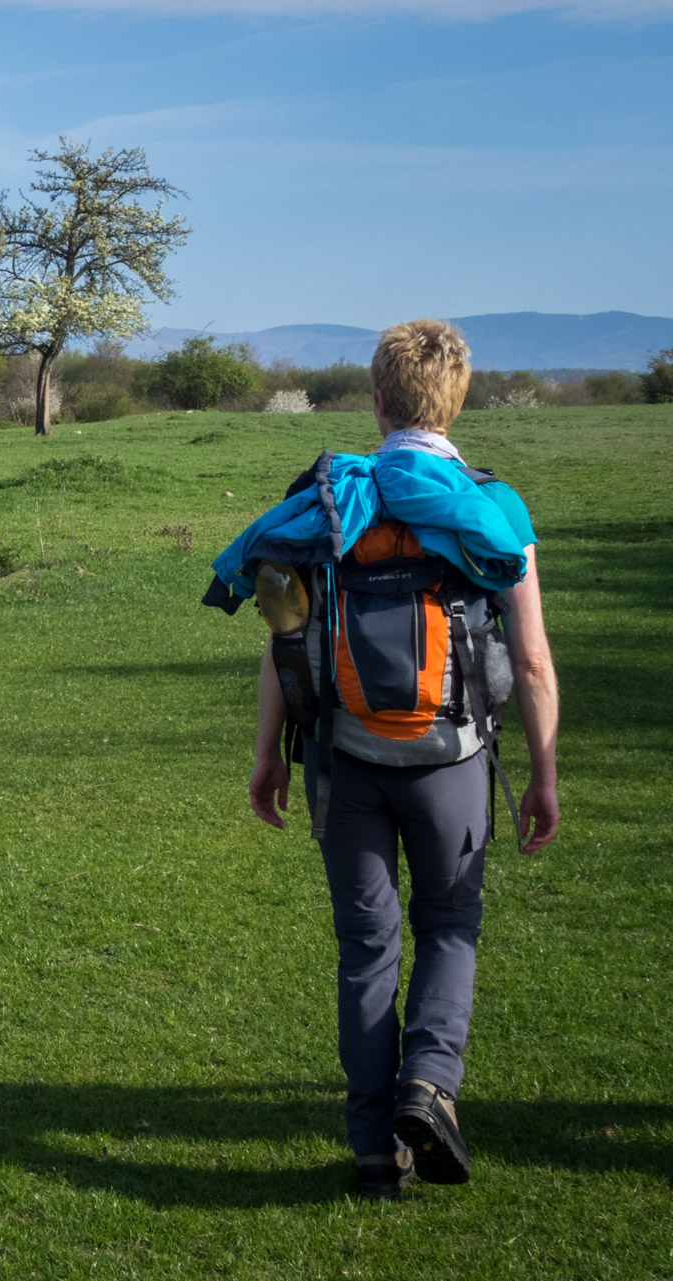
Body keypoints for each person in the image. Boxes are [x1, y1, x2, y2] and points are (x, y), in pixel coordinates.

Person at [245, 319, 560, 1199]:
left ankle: (374, 1151)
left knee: (366, 950)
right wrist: (543, 770)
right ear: (457, 402)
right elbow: (531, 660)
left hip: (346, 762)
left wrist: (268, 751)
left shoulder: (320, 502)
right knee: (450, 928)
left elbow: (282, 641)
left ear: (377, 403)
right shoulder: (492, 510)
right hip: (452, 762)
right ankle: (429, 1089)